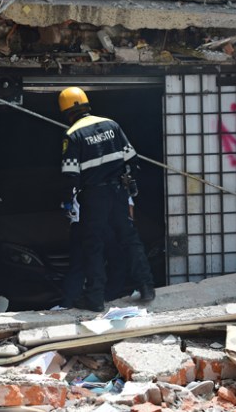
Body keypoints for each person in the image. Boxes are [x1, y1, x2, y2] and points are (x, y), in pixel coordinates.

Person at [59, 86, 155, 312]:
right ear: (87, 104)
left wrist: (67, 201)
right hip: (119, 192)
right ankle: (146, 286)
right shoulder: (112, 125)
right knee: (129, 238)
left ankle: (94, 298)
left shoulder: (73, 135)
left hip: (94, 196)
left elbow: (70, 174)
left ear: (66, 112)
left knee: (93, 245)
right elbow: (132, 159)